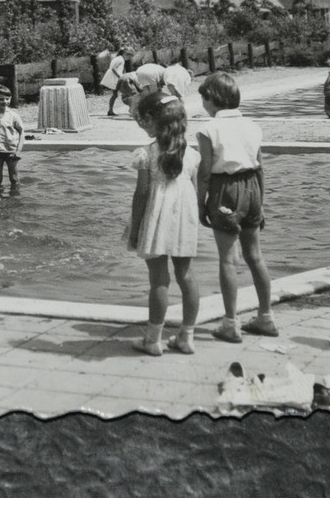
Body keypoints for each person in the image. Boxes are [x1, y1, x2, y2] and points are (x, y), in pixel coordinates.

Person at [194, 72, 274, 344]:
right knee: (255, 256)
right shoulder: (253, 125)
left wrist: (200, 203)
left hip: (224, 189)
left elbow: (205, 172)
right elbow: (261, 166)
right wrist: (260, 203)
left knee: (228, 258)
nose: (203, 104)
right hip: (252, 187)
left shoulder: (208, 129)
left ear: (212, 100)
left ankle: (231, 323)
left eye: (204, 98)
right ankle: (265, 316)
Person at [126, 89, 200, 356]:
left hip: (156, 219)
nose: (143, 126)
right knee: (187, 276)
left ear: (152, 120)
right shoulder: (191, 155)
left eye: (144, 121)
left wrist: (134, 228)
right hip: (185, 220)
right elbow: (194, 192)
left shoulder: (147, 154)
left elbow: (142, 194)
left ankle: (153, 339)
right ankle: (187, 336)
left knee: (159, 279)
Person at [100, 49, 129, 116]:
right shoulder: (121, 59)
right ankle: (131, 109)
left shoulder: (117, 58)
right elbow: (113, 68)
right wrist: (120, 76)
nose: (129, 58)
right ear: (125, 54)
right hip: (116, 78)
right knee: (128, 92)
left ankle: (110, 110)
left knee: (115, 95)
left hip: (114, 77)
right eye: (128, 56)